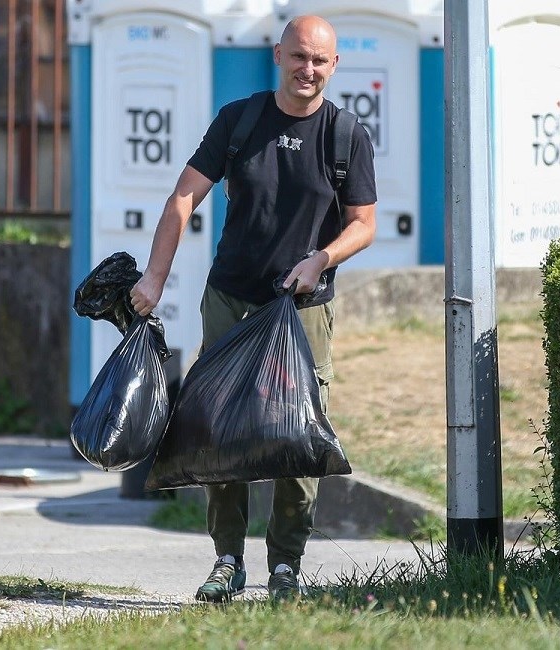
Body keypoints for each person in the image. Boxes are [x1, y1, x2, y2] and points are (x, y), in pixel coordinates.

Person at [129, 15, 377, 603]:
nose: (307, 70)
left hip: (303, 308)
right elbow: (184, 196)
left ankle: (286, 565)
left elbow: (362, 224)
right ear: (278, 54)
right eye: (298, 57)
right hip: (232, 300)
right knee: (222, 435)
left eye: (319, 61)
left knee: (297, 435)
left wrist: (321, 258)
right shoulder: (239, 120)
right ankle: (227, 561)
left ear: (334, 66)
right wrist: (155, 277)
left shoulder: (346, 136)